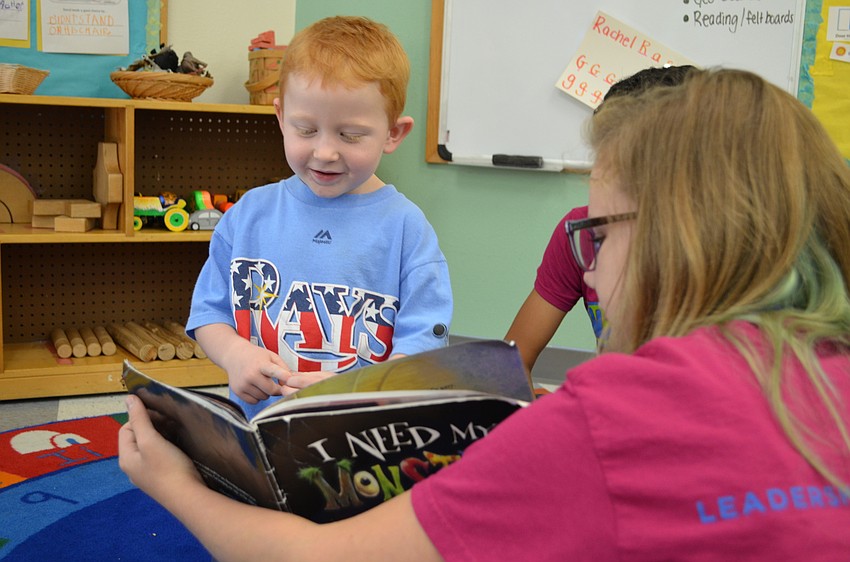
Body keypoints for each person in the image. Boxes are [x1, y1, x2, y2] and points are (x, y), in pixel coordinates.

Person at [120, 68, 850, 560]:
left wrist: (175, 485)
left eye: (596, 233)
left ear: (677, 232)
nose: (588, 265)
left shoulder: (613, 417)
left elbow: (319, 557)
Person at [185, 16, 452, 418]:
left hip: (361, 432)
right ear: (280, 117)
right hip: (258, 425)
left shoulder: (406, 229)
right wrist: (235, 354)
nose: (324, 152)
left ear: (393, 133)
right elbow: (210, 313)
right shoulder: (247, 217)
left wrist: (360, 391)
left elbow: (423, 348)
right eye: (306, 130)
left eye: (350, 135)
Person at [505, 65, 695, 376]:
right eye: (600, 158)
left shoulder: (723, 257)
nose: (599, 177)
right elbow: (512, 363)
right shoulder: (581, 233)